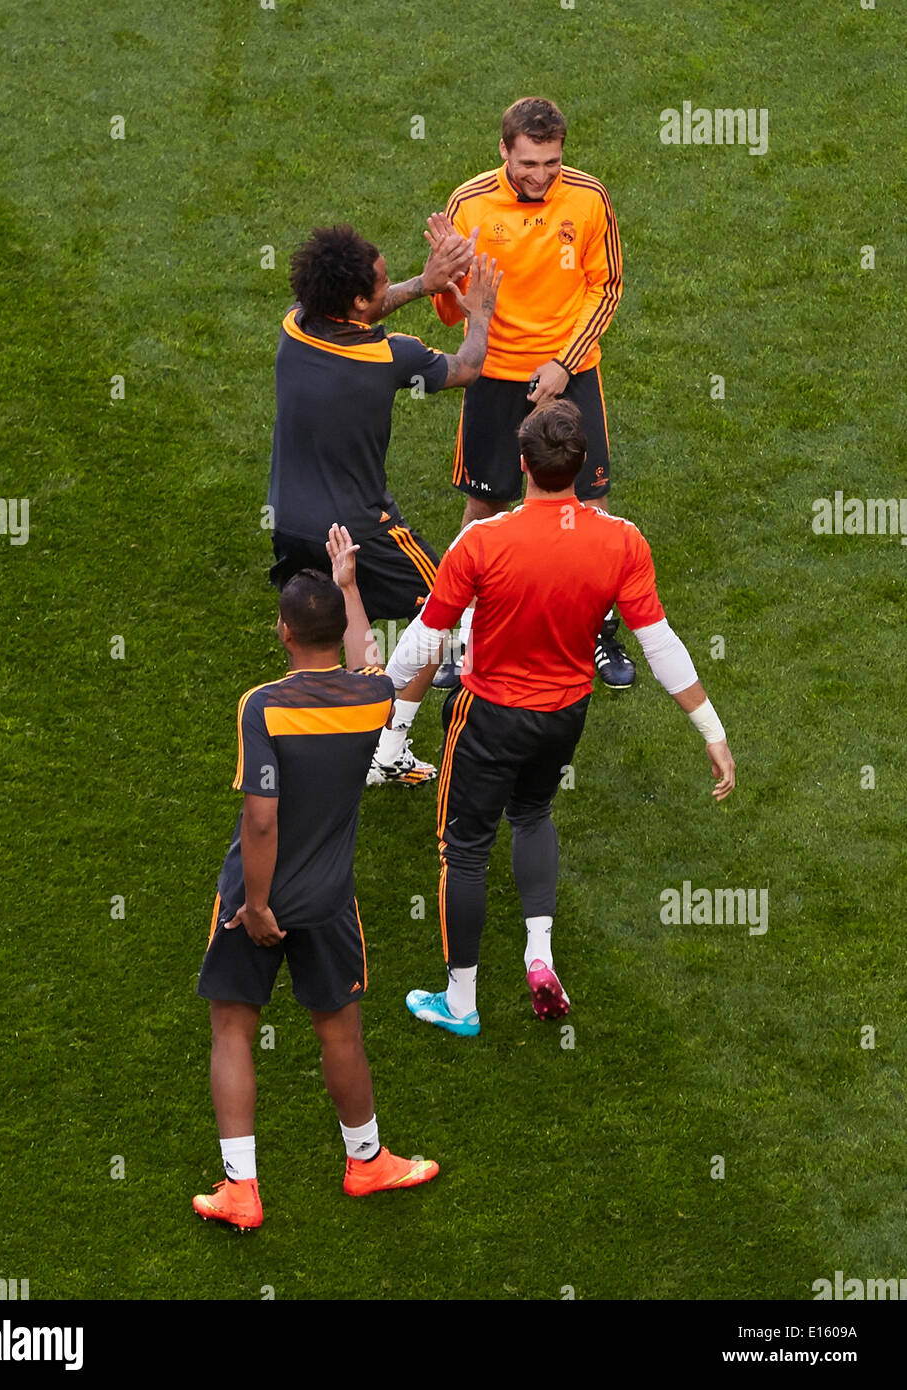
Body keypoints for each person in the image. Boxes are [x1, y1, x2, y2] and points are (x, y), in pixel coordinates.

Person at [378, 400, 735, 1037]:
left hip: (487, 715)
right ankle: (538, 952)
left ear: (523, 466)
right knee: (534, 813)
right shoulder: (622, 541)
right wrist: (712, 730)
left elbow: (426, 640)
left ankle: (461, 1001)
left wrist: (377, 696)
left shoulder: (483, 542)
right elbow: (660, 646)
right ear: (581, 466)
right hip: (565, 715)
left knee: (463, 852)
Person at [193, 526, 440, 1230]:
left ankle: (241, 1187)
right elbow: (370, 661)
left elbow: (261, 819)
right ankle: (365, 1161)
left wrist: (259, 905)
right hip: (330, 898)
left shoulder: (262, 705)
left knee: (234, 1030)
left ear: (283, 631)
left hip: (256, 896)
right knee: (340, 1032)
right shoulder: (371, 700)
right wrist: (351, 583)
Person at [267, 223, 502, 786]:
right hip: (362, 529)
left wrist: (425, 283)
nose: (387, 284)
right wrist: (482, 312)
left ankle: (322, 735)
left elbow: (362, 312)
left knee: (330, 624)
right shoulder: (387, 356)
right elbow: (468, 367)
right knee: (449, 606)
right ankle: (385, 742)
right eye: (381, 281)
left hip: (290, 521)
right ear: (355, 300)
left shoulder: (294, 326)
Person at [429, 96, 634, 690]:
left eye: (552, 162)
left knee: (589, 509)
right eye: (528, 163)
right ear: (503, 151)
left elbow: (608, 285)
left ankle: (598, 634)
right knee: (483, 509)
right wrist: (441, 276)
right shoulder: (468, 204)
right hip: (493, 377)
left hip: (571, 375)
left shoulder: (589, 198)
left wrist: (564, 364)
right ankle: (460, 635)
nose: (542, 175)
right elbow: (450, 312)